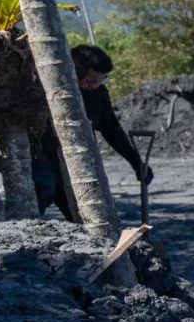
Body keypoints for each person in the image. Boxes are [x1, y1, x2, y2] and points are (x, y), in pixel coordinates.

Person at [34, 44, 151, 220]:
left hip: (73, 165)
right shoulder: (46, 91)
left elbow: (112, 130)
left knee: (85, 213)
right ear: (74, 74)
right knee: (44, 187)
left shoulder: (98, 95)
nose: (95, 86)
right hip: (39, 157)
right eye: (90, 81)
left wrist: (136, 162)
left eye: (101, 80)